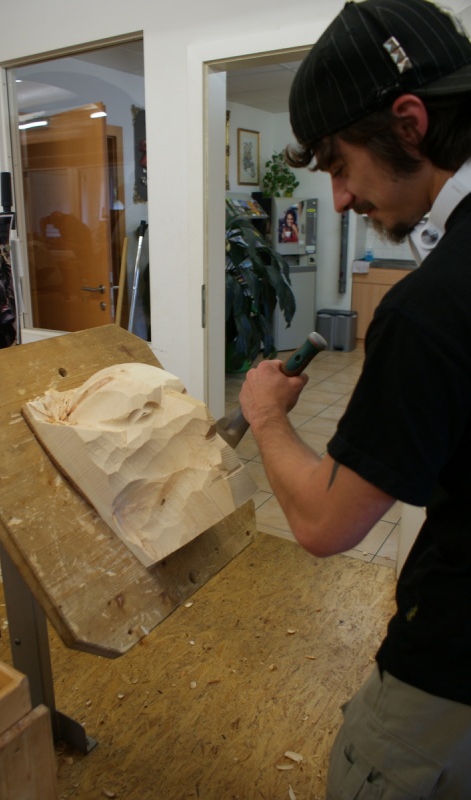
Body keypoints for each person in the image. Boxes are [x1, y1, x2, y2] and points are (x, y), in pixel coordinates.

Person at [239, 1, 471, 796]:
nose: (339, 198)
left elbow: (325, 522)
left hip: (452, 665)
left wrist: (265, 415)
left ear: (409, 122)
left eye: (340, 165)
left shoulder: (431, 307)